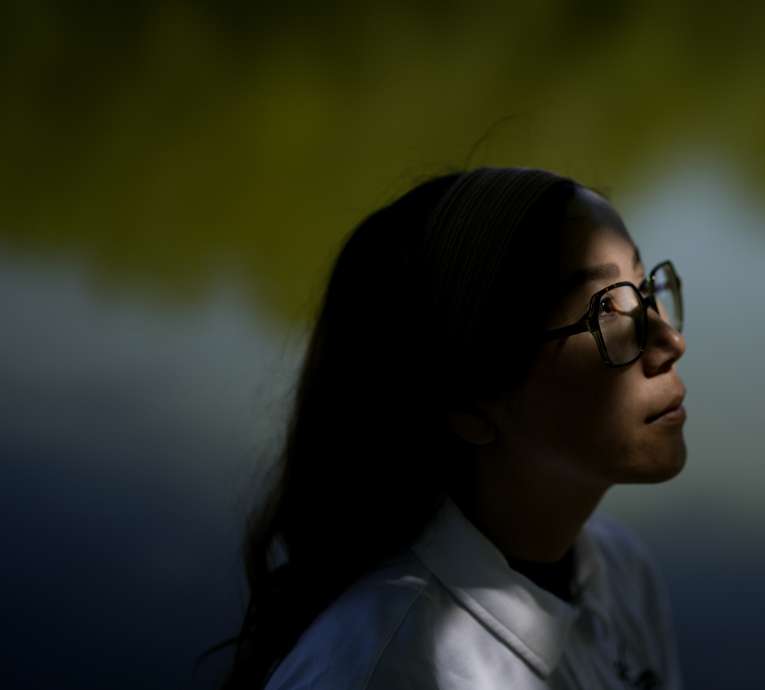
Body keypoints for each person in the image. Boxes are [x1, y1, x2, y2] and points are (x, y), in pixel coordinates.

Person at [207, 167, 688, 690]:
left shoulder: (618, 572)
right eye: (607, 309)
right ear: (471, 399)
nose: (669, 342)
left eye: (643, 290)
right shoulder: (384, 669)